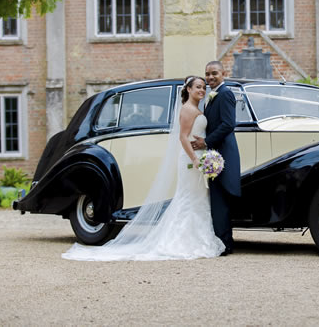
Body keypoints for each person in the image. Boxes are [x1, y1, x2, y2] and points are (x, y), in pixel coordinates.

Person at [61, 76, 225, 261]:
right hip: (190, 160)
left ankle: (198, 238)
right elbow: (183, 137)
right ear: (188, 89)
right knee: (188, 199)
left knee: (198, 198)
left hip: (198, 158)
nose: (202, 90)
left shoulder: (197, 108)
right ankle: (183, 241)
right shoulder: (187, 109)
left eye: (203, 88)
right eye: (197, 87)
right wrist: (195, 159)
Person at [191, 61, 241, 255]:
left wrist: (206, 142)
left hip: (222, 154)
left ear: (223, 74)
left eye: (214, 74)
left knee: (222, 202)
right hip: (214, 154)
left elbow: (228, 124)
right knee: (218, 201)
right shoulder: (210, 97)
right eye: (207, 74)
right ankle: (223, 242)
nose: (210, 78)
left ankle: (225, 244)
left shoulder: (226, 94)